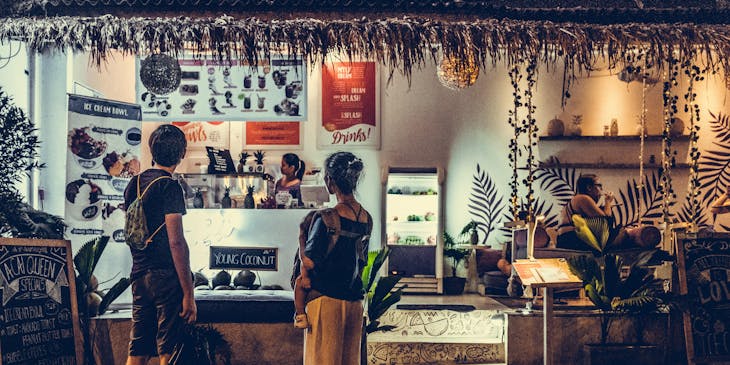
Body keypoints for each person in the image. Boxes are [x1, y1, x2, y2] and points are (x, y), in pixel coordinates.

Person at [124, 124, 196, 365]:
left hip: (139, 274)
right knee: (169, 347)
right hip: (165, 275)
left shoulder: (132, 184)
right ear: (182, 153)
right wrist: (188, 291)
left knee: (139, 346)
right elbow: (176, 242)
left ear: (152, 151)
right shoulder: (170, 186)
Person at [302, 152, 372, 365]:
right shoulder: (366, 218)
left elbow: (311, 261)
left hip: (326, 301)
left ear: (329, 181)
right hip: (354, 303)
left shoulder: (327, 217)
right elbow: (362, 258)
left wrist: (301, 240)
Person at [556, 174, 616, 251]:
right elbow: (605, 221)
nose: (602, 189)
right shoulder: (583, 198)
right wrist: (608, 202)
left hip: (566, 239)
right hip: (571, 239)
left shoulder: (577, 199)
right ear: (589, 187)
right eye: (599, 185)